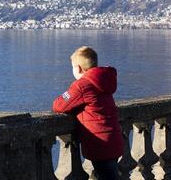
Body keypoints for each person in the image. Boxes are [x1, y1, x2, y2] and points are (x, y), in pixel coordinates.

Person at [52, 46, 124, 180]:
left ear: (78, 68)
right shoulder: (105, 80)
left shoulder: (82, 85)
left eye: (72, 66)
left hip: (100, 145)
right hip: (114, 140)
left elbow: (59, 105)